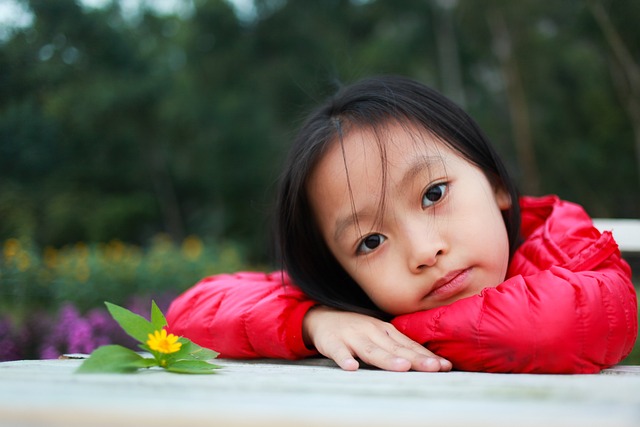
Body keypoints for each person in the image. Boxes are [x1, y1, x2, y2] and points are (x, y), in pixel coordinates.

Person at [166, 75, 637, 373]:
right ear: (340, 270)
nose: (423, 251)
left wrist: (397, 329)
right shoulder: (344, 304)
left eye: (434, 194)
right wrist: (313, 321)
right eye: (370, 241)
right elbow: (189, 313)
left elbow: (574, 322)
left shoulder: (561, 241)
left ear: (494, 182)